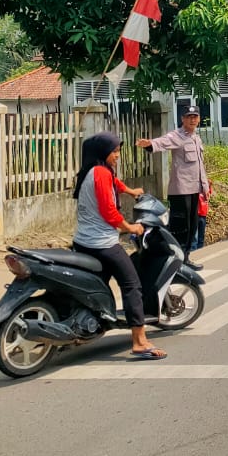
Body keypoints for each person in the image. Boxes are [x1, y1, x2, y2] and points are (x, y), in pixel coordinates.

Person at [70, 132, 164, 360]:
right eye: (114, 152)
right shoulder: (101, 172)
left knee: (96, 286)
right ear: (103, 153)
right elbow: (108, 211)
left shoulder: (91, 171)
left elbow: (114, 183)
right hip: (102, 244)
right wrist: (130, 227)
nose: (117, 156)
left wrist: (131, 191)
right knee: (132, 285)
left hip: (82, 242)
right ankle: (140, 342)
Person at [137, 105, 209, 271]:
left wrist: (204, 187)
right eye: (189, 116)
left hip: (194, 189)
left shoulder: (196, 138)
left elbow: (200, 166)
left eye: (195, 116)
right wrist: (150, 144)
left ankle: (185, 257)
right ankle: (177, 259)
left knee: (192, 226)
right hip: (180, 190)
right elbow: (163, 141)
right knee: (181, 227)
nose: (192, 119)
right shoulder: (177, 136)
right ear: (182, 119)